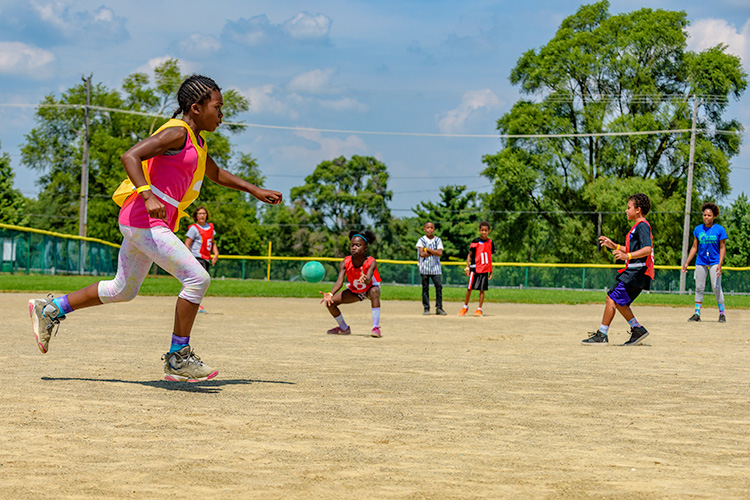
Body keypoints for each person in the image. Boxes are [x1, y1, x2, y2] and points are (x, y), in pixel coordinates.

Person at [28, 75, 282, 382]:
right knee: (197, 278)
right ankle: (178, 357)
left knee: (122, 290)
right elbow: (130, 156)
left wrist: (254, 189)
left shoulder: (196, 141)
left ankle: (52, 309)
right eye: (218, 107)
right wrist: (147, 195)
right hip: (143, 218)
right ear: (196, 107)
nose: (222, 114)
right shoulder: (177, 131)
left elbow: (214, 172)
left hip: (146, 222)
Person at [582, 193, 653, 346]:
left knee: (611, 297)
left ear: (638, 210)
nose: (626, 211)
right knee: (620, 302)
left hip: (636, 272)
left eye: (629, 208)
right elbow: (632, 248)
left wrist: (627, 255)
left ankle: (602, 334)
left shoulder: (642, 226)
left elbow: (647, 249)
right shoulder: (637, 227)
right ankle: (637, 329)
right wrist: (614, 245)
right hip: (636, 272)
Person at [320, 230, 382, 338]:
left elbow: (368, 279)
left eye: (358, 245)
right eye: (352, 245)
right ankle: (344, 328)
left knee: (374, 291)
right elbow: (340, 281)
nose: (354, 247)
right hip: (355, 291)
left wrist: (365, 279)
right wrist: (330, 294)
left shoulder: (371, 262)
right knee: (330, 303)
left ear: (365, 248)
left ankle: (375, 327)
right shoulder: (345, 262)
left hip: (368, 289)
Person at [681, 202, 728, 322]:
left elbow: (722, 247)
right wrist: (687, 262)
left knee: (716, 287)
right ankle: (697, 313)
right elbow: (694, 247)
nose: (706, 217)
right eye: (705, 215)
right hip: (701, 261)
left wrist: (720, 264)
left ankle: (722, 313)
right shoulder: (698, 229)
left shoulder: (719, 229)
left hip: (714, 261)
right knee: (699, 287)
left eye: (709, 215)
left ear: (714, 216)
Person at [185, 205, 218, 313]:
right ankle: (195, 304)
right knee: (198, 281)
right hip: (196, 257)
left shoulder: (210, 228)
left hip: (206, 258)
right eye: (199, 213)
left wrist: (216, 253)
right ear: (196, 216)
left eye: (204, 213)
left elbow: (212, 242)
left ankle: (195, 303)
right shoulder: (194, 228)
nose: (202, 215)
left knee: (203, 282)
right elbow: (187, 244)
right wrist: (188, 258)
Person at [459, 221, 494, 317]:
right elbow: (469, 255)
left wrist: (491, 270)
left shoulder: (490, 242)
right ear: (479, 230)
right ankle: (465, 306)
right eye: (482, 230)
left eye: (486, 230)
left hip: (485, 269)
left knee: (482, 289)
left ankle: (479, 309)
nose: (484, 232)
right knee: (469, 288)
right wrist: (467, 267)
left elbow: (490, 256)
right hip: (474, 268)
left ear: (489, 231)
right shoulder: (475, 242)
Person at [416, 221, 446, 315]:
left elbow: (440, 253)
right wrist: (434, 251)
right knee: (425, 288)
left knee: (439, 287)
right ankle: (426, 308)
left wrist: (428, 250)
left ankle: (439, 307)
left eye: (431, 228)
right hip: (425, 267)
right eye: (427, 228)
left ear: (434, 229)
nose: (429, 229)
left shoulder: (438, 240)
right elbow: (421, 254)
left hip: (436, 268)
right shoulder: (421, 240)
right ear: (424, 229)